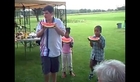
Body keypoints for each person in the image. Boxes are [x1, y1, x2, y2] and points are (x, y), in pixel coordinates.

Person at [36, 5, 66, 82]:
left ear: (52, 13)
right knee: (46, 71)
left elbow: (63, 33)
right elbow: (38, 35)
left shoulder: (58, 22)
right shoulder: (41, 22)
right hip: (44, 50)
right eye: (44, 13)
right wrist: (43, 29)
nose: (44, 15)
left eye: (46, 13)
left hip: (55, 49)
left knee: (54, 70)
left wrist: (56, 27)